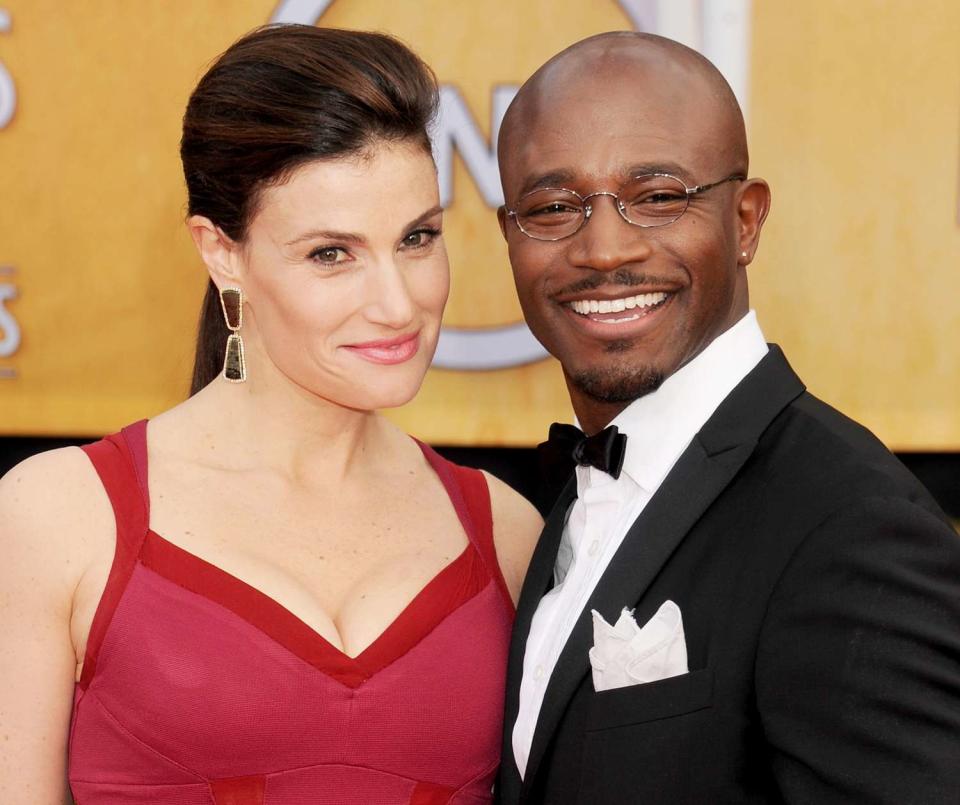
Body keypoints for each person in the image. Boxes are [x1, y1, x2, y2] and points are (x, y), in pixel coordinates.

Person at [0, 24, 542, 804]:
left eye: (417, 238)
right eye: (332, 253)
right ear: (221, 250)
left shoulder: (507, 530)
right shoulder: (62, 516)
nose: (399, 303)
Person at [494, 31, 960, 804]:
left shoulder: (852, 526)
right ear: (510, 235)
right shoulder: (566, 497)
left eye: (657, 197)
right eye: (553, 207)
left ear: (745, 222)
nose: (604, 249)